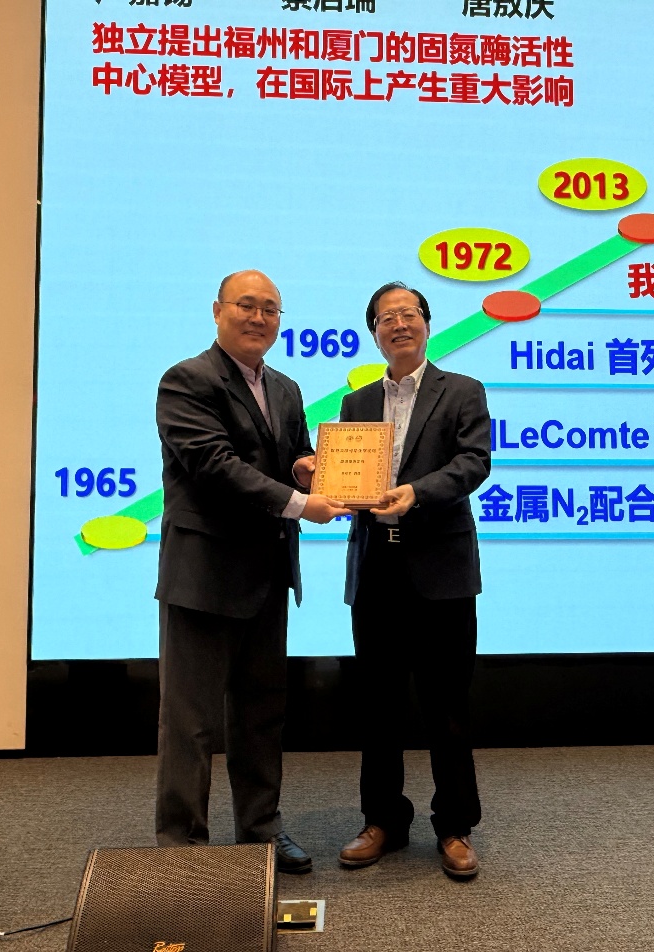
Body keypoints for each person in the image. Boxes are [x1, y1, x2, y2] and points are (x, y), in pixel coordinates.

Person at [154, 269, 349, 873]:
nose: (258, 317)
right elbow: (213, 464)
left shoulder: (285, 387)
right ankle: (183, 847)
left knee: (262, 713)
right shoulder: (187, 379)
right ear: (218, 311)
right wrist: (299, 502)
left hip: (266, 573)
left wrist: (307, 469)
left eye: (270, 309)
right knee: (191, 721)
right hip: (204, 574)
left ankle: (261, 830)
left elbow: (285, 457)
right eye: (247, 305)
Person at [335, 281, 491, 878]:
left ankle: (455, 826)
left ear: (427, 323)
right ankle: (382, 820)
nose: (398, 324)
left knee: (447, 705)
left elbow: (473, 462)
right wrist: (327, 483)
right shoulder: (356, 404)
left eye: (408, 314)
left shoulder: (463, 391)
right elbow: (350, 478)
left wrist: (415, 494)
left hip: (441, 571)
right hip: (376, 568)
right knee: (378, 706)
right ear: (374, 333)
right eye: (386, 318)